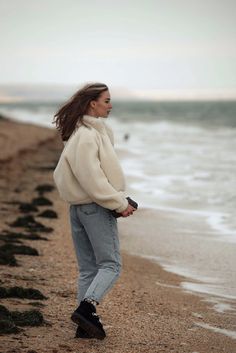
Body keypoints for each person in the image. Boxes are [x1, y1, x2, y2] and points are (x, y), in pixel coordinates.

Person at [53, 82, 137, 340]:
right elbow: (93, 178)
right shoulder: (88, 136)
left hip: (79, 208)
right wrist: (118, 203)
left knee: (88, 269)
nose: (110, 106)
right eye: (107, 100)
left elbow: (69, 175)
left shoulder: (83, 133)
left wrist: (117, 198)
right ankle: (87, 308)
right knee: (111, 265)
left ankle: (84, 326)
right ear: (93, 103)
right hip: (94, 207)